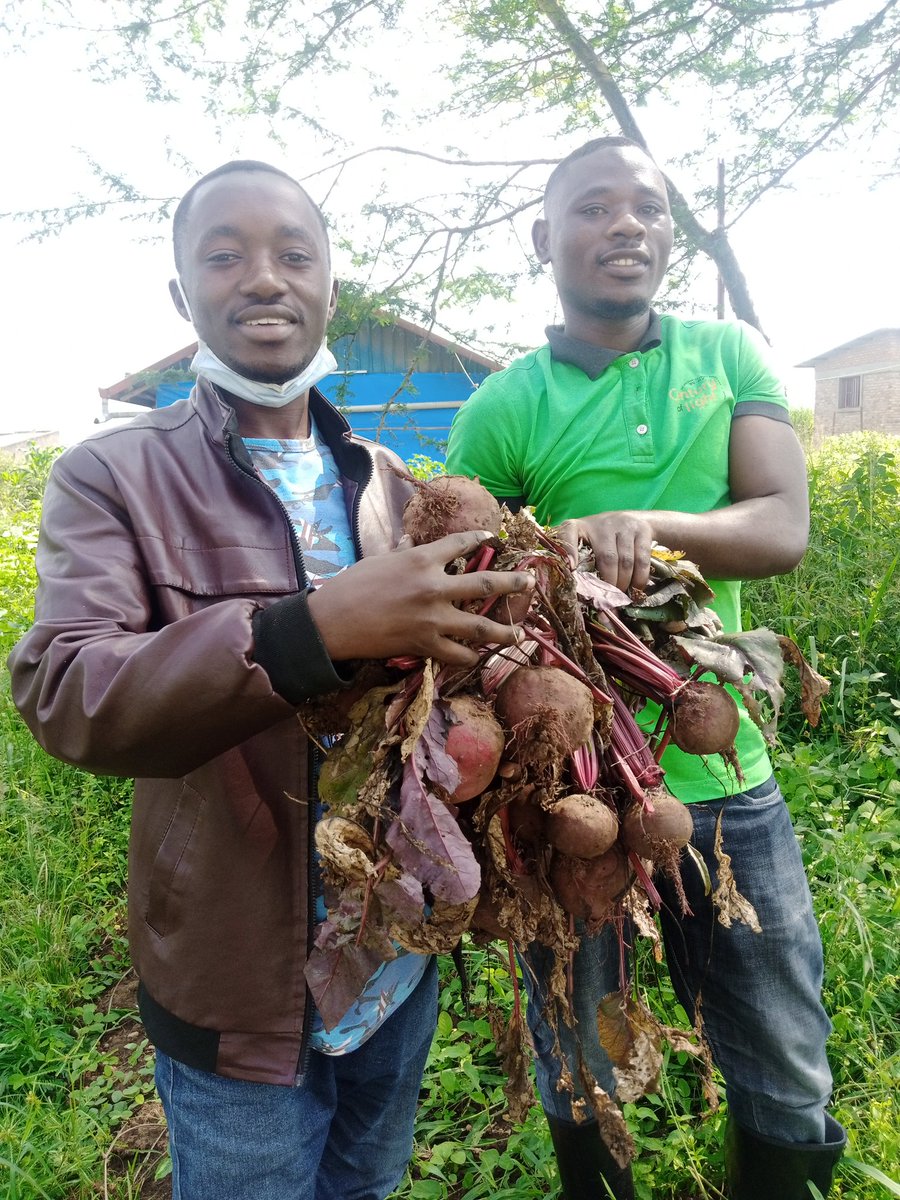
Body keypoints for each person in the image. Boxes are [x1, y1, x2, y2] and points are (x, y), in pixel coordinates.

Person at [8, 160, 534, 1200]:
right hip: (236, 983)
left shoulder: (392, 486)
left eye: (295, 254)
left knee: (367, 1184)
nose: (263, 278)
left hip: (395, 964)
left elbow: (447, 690)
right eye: (225, 256)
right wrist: (306, 631)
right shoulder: (113, 476)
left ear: (331, 288)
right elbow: (68, 690)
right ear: (182, 295)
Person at [445, 136, 846, 1200]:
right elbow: (470, 580)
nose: (627, 224)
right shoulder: (505, 406)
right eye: (595, 207)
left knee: (783, 1043)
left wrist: (643, 526)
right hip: (575, 792)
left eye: (649, 208)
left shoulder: (730, 356)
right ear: (544, 238)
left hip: (722, 776)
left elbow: (780, 526)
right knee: (575, 1046)